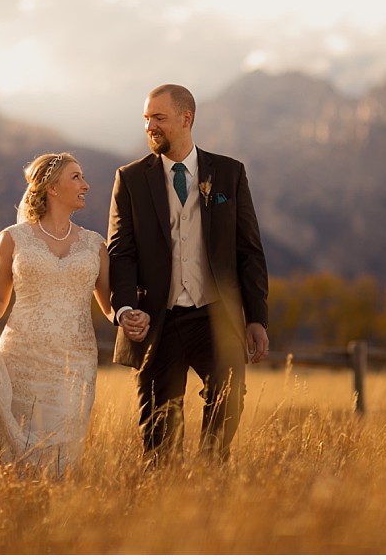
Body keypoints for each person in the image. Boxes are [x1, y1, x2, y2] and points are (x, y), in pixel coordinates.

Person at [0, 152, 151, 475]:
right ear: (52, 188)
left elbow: (108, 303)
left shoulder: (94, 244)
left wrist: (126, 316)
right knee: (13, 454)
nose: (86, 185)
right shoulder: (13, 239)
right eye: (76, 177)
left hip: (75, 363)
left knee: (62, 455)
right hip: (21, 358)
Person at [107, 84, 269, 465]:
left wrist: (256, 317)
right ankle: (164, 504)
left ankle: (211, 474)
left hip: (212, 314)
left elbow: (249, 251)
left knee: (229, 396)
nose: (150, 126)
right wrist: (126, 306)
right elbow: (121, 251)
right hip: (156, 320)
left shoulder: (229, 174)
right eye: (146, 119)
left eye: (158, 118)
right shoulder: (130, 180)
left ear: (186, 118)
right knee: (159, 434)